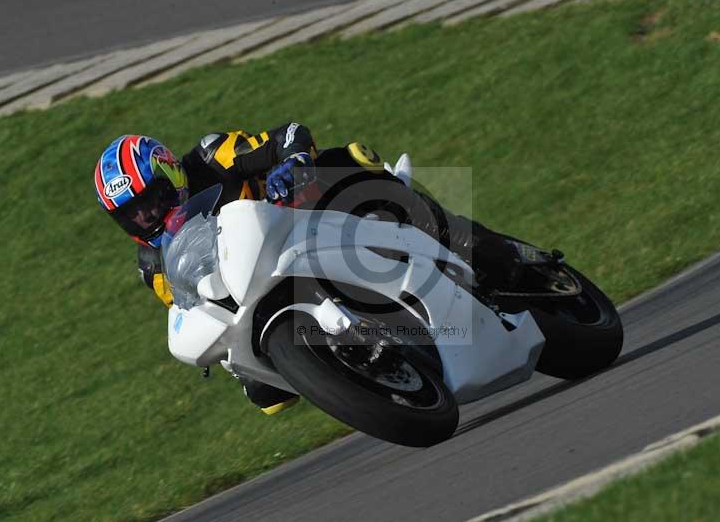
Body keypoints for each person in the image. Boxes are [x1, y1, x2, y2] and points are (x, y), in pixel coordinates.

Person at [94, 123, 520, 414]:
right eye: (132, 214)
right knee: (266, 395)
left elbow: (289, 133)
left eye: (152, 198)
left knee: (348, 161)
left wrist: (291, 162)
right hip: (265, 284)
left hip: (304, 215)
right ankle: (362, 364)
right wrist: (229, 359)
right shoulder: (154, 266)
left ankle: (462, 238)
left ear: (171, 171)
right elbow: (196, 305)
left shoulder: (210, 157)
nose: (148, 216)